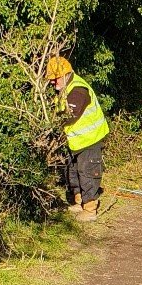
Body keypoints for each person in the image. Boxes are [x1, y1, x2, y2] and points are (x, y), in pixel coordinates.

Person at [45, 56, 109, 222]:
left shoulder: (78, 90)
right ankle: (80, 202)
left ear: (65, 74)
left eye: (55, 78)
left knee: (87, 172)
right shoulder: (66, 88)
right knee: (73, 172)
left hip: (90, 139)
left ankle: (90, 209)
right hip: (76, 141)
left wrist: (51, 122)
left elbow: (69, 115)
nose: (53, 82)